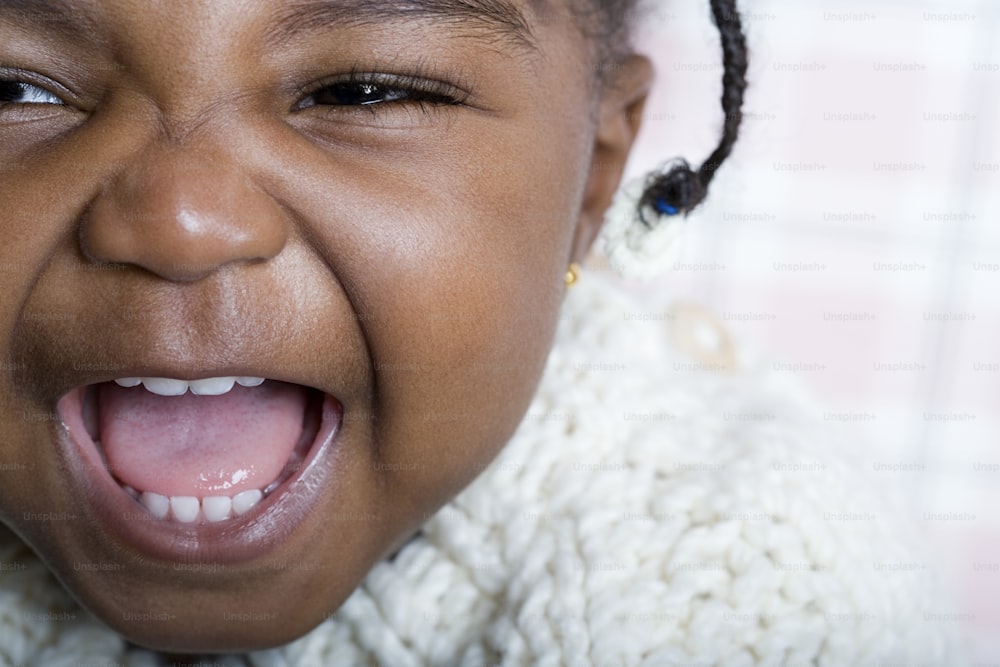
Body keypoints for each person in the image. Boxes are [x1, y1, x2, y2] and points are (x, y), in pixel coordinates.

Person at [0, 0, 956, 664]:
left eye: (364, 92)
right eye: (12, 90)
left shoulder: (747, 590)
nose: (179, 223)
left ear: (593, 180)